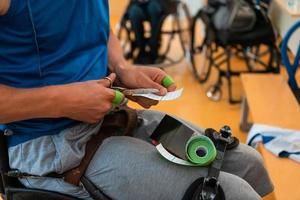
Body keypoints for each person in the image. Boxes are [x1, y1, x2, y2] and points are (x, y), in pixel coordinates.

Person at [0, 0, 273, 200]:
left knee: (250, 164)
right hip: (49, 147)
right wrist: (62, 101)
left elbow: (98, 27)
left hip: (109, 116)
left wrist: (121, 67)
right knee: (236, 195)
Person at [126, 0, 167, 64]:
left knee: (154, 9)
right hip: (138, 4)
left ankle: (154, 48)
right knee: (134, 13)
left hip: (156, 3)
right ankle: (141, 49)